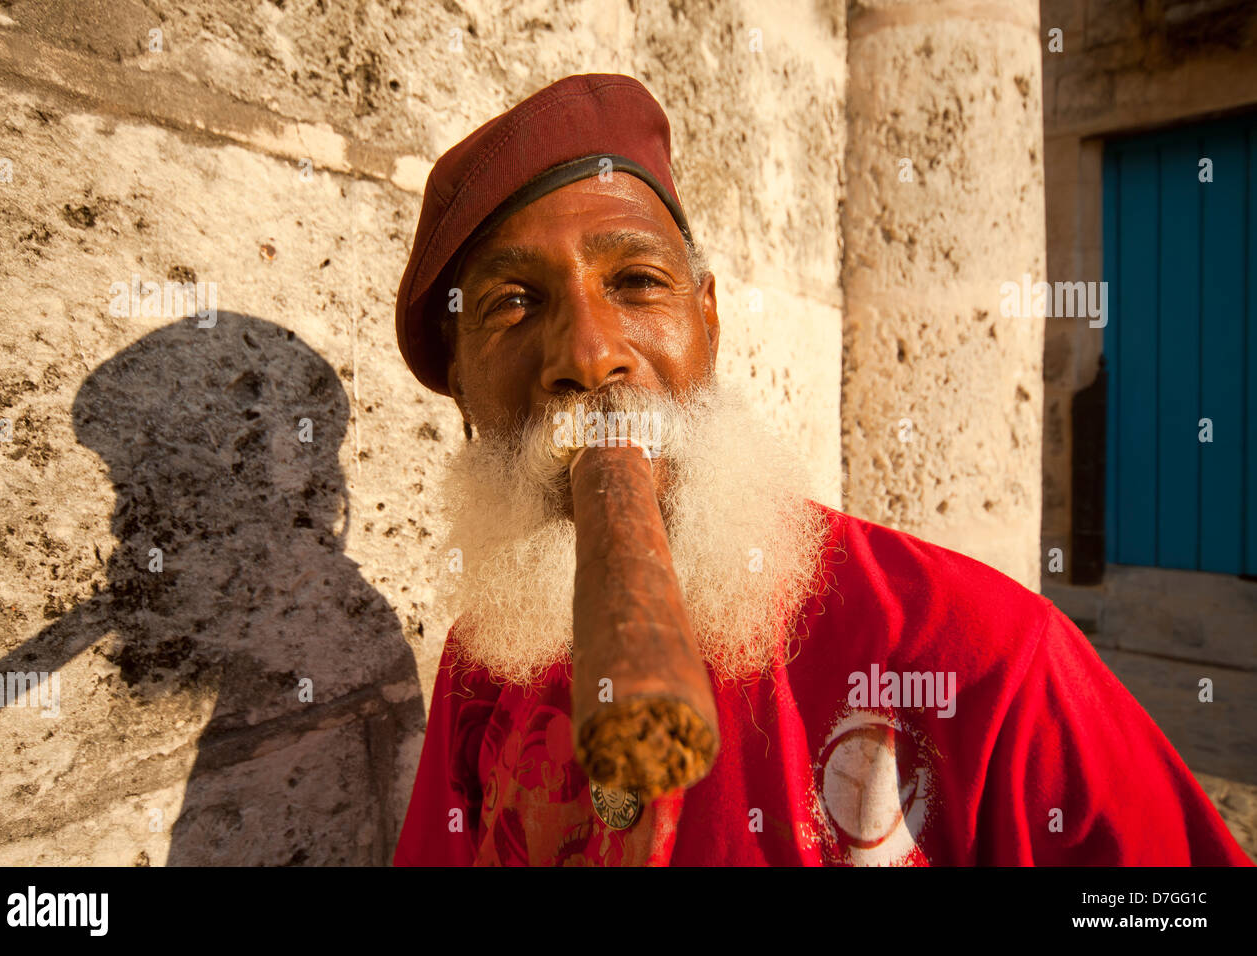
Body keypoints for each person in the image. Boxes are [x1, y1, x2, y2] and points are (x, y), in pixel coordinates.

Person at [390, 73, 1252, 866]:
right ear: (463, 389)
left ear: (710, 323)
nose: (588, 351)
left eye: (639, 282)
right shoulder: (482, 669)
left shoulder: (982, 658)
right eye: (510, 302)